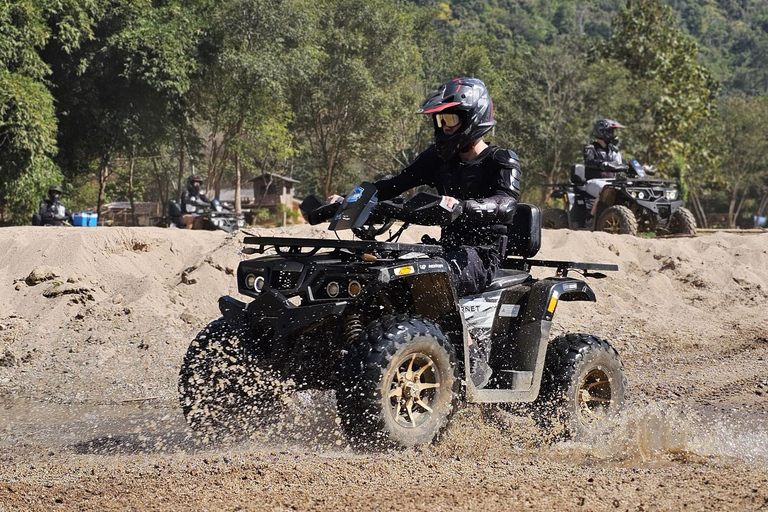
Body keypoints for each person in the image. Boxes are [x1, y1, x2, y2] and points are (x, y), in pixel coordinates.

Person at [330, 77, 521, 388]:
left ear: (473, 118)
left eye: (451, 118)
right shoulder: (437, 158)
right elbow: (393, 185)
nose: (445, 126)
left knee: (429, 279)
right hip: (443, 250)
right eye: (441, 119)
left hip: (481, 255)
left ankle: (472, 358)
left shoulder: (501, 160)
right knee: (381, 272)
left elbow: (506, 204)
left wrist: (464, 206)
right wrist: (349, 199)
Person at [583, 119, 628, 224]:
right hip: (593, 181)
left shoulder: (613, 150)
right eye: (610, 131)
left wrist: (640, 167)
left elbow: (622, 163)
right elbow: (589, 161)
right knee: (605, 189)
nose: (613, 134)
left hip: (612, 181)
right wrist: (602, 164)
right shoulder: (590, 148)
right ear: (602, 132)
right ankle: (590, 218)